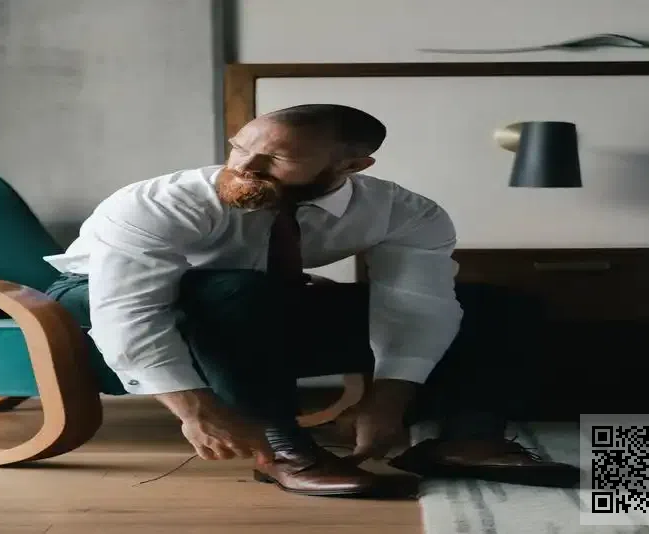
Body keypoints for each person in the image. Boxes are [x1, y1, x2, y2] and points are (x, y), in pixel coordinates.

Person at [42, 104, 579, 497]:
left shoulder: (404, 212)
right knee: (240, 289)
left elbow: (418, 304)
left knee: (496, 306)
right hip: (91, 303)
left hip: (253, 310)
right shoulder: (162, 203)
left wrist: (387, 401)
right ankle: (281, 447)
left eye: (277, 158)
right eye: (239, 146)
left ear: (353, 166)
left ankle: (467, 439)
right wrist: (195, 412)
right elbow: (127, 311)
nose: (245, 165)